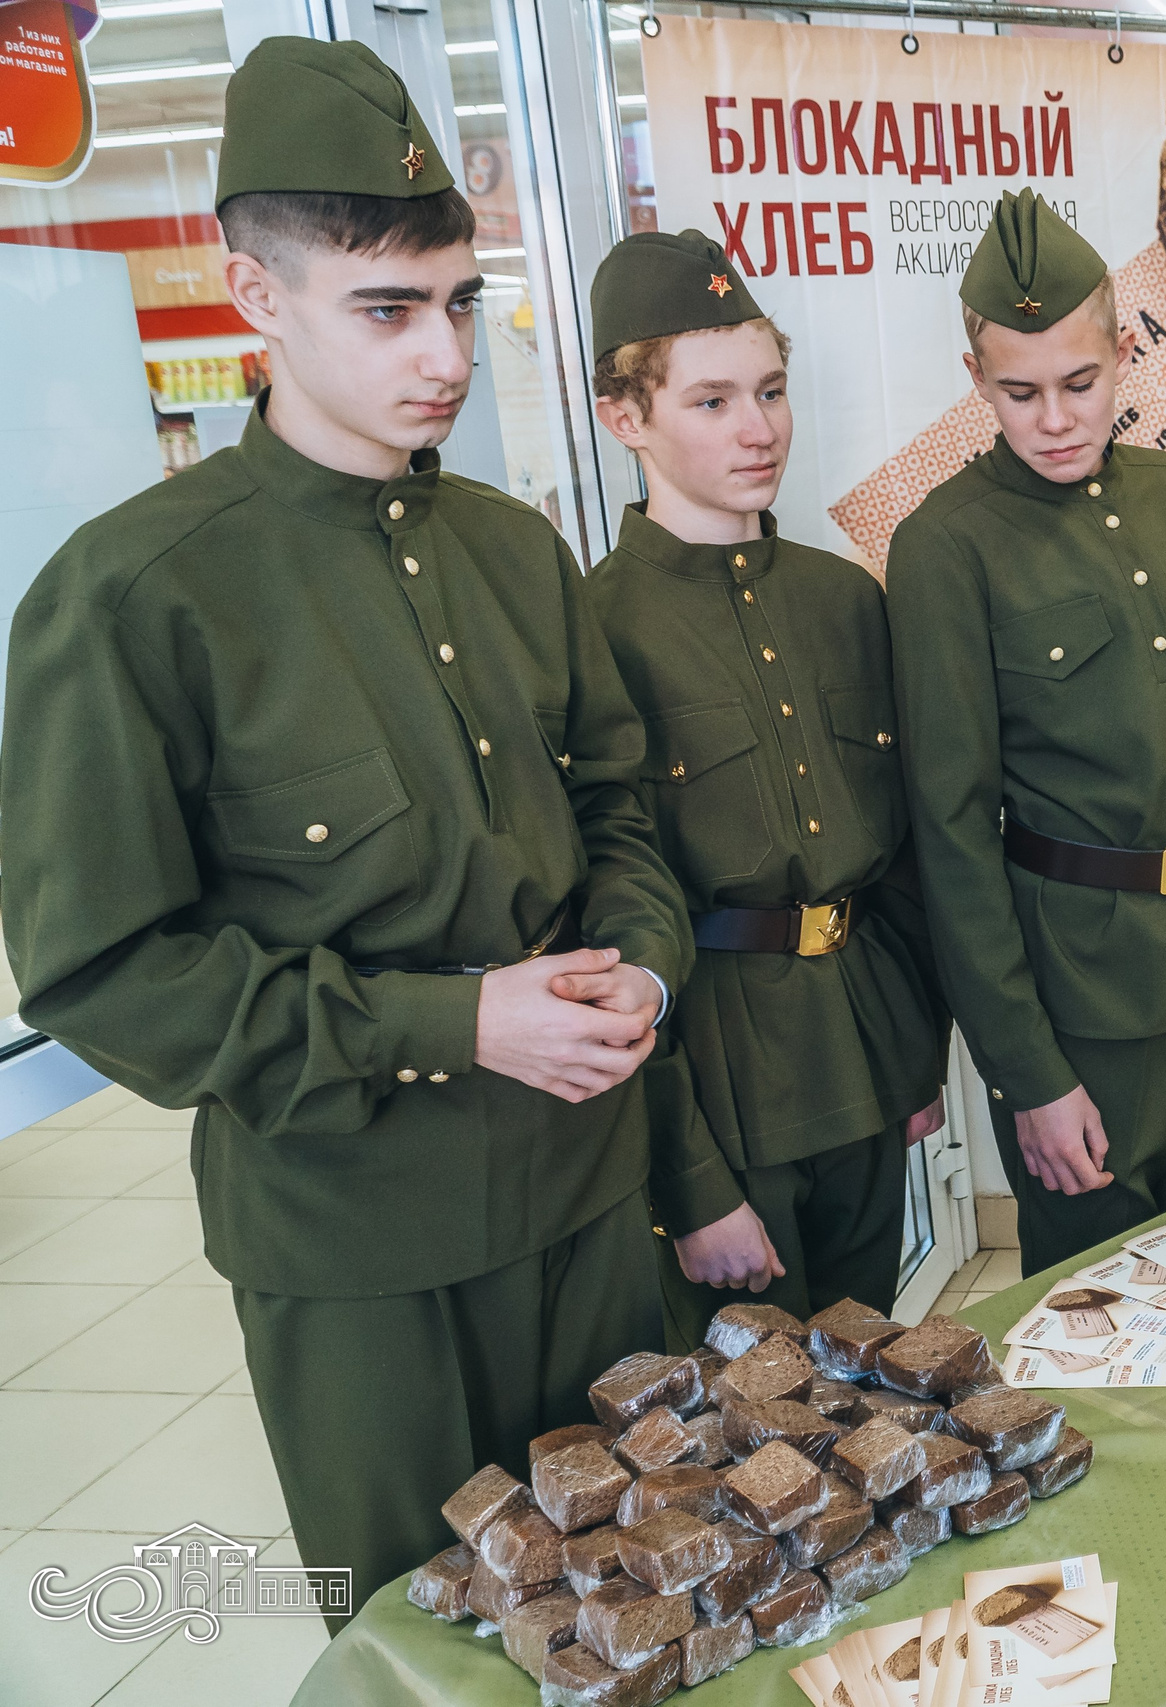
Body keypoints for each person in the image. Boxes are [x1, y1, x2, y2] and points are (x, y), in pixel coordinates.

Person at [0, 40, 692, 1625]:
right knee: (424, 1633)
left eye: (459, 301)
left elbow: (615, 809)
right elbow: (107, 971)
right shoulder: (134, 595)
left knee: (650, 1596)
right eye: (386, 310)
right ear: (254, 293)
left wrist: (645, 965)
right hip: (360, 1246)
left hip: (590, 1195)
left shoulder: (516, 552)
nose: (444, 353)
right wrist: (457, 1022)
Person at [886, 191, 1166, 1274]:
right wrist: (1027, 1071)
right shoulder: (945, 545)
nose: (1056, 419)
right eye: (1019, 393)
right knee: (1099, 1308)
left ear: (1125, 355)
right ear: (976, 380)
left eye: (1080, 383)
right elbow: (952, 834)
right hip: (1082, 1004)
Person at [583, 231, 949, 1340]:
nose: (760, 429)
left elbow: (902, 868)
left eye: (772, 391)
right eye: (712, 401)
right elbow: (601, 937)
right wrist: (690, 1183)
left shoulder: (845, 600)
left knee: (874, 1375)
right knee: (745, 1415)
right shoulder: (590, 631)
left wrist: (912, 1062)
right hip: (717, 1087)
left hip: (861, 1061)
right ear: (624, 417)